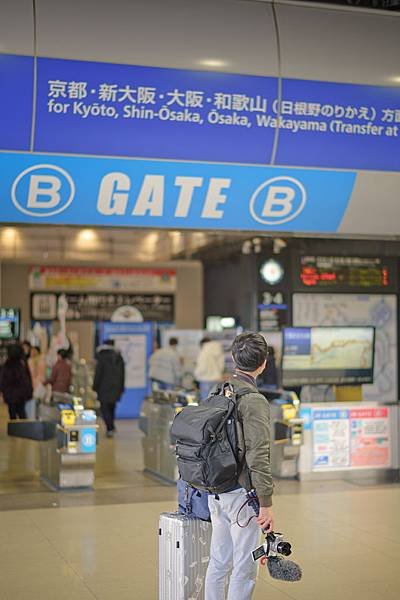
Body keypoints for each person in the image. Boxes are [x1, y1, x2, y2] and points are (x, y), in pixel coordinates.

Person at [204, 332, 274, 600]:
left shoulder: (218, 390)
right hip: (241, 495)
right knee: (244, 567)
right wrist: (266, 503)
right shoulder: (254, 400)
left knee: (219, 560)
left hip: (216, 489)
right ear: (263, 363)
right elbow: (258, 454)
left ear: (233, 359)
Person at [93, 339, 125, 437]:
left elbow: (98, 373)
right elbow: (122, 374)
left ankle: (110, 427)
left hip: (104, 387)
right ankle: (111, 426)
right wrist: (121, 387)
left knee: (104, 408)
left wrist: (95, 386)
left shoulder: (102, 357)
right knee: (111, 407)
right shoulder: (118, 357)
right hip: (116, 387)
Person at [0, 343, 33, 419]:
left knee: (12, 415)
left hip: (10, 395)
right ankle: (23, 429)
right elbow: (26, 381)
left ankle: (13, 430)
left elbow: (3, 381)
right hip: (21, 395)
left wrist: (3, 391)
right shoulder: (22, 365)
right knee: (22, 413)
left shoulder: (7, 365)